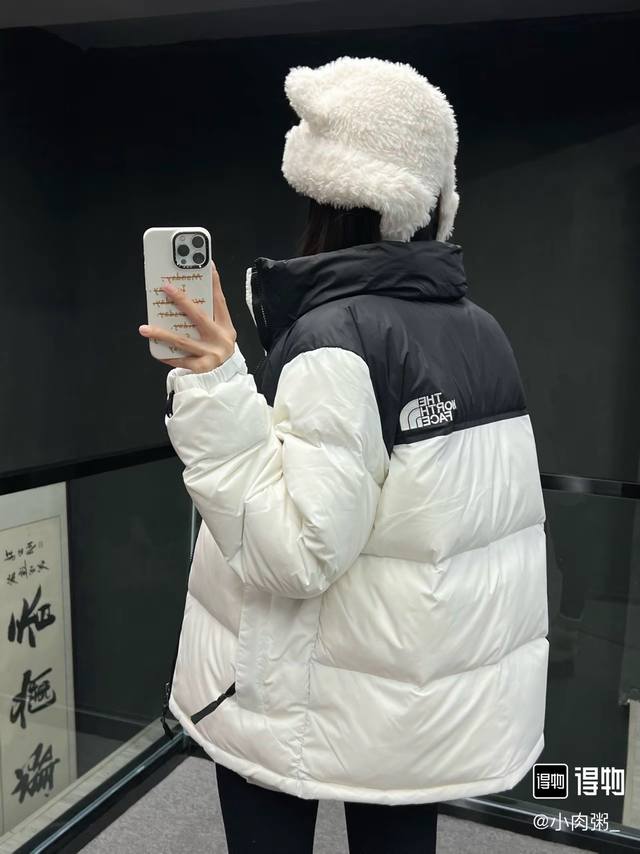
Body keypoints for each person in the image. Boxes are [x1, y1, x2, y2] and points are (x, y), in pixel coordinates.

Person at [139, 56, 549, 853]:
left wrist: (215, 383)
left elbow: (294, 552)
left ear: (325, 197)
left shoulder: (338, 336)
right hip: (410, 699)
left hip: (295, 687)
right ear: (434, 201)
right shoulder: (481, 332)